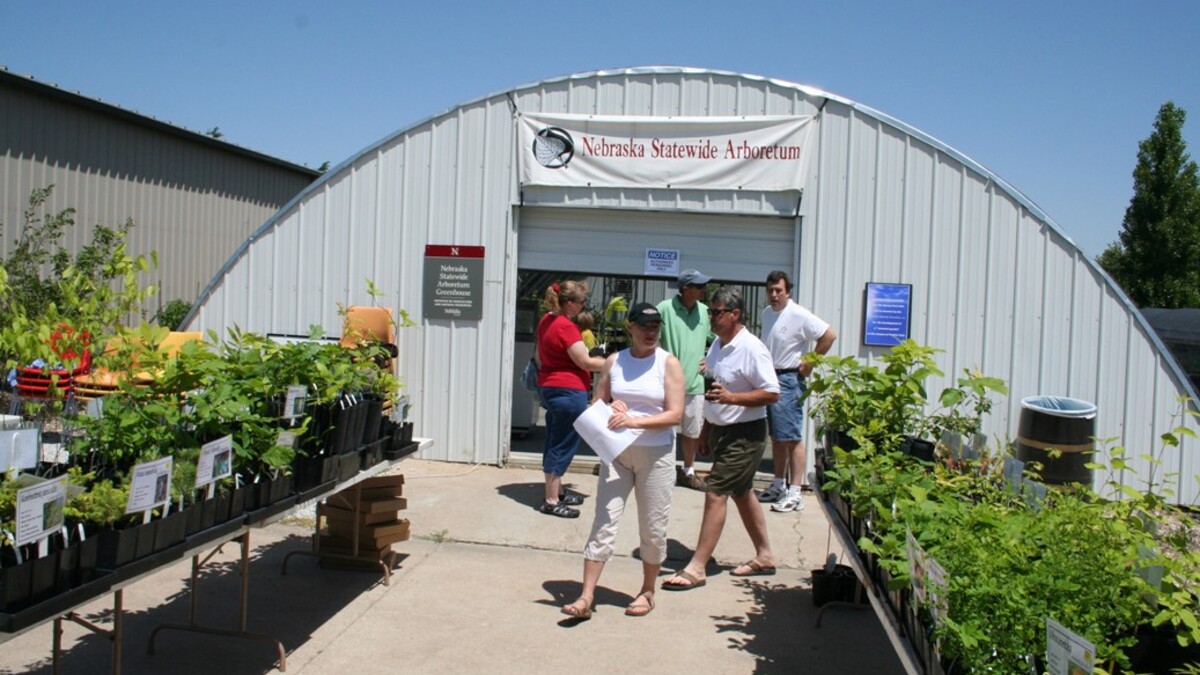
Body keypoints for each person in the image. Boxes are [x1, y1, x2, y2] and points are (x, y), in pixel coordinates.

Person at [561, 303, 684, 620]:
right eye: (644, 326)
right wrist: (613, 407)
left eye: (655, 325)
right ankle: (586, 596)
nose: (651, 331)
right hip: (617, 453)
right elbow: (596, 403)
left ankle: (647, 590)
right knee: (604, 520)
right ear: (630, 327)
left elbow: (675, 414)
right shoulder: (615, 362)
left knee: (653, 527)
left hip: (655, 455)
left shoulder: (668, 364)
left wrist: (634, 422)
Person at [662, 287, 780, 590]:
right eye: (710, 311)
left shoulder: (752, 348)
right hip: (722, 433)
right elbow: (714, 390)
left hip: (746, 435)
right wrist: (705, 429)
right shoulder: (717, 344)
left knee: (715, 492)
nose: (710, 317)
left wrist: (734, 398)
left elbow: (772, 392)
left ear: (734, 314)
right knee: (742, 492)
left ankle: (697, 566)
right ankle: (765, 555)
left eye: (716, 312)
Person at [757, 270, 837, 513]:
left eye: (779, 290)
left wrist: (810, 363)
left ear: (787, 291)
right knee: (778, 437)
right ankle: (779, 484)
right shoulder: (767, 314)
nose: (774, 295)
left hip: (790, 379)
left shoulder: (798, 314)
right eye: (770, 290)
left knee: (791, 437)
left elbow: (829, 335)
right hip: (771, 378)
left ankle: (795, 492)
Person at [538, 280, 607, 518]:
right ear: (569, 304)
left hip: (550, 387)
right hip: (568, 391)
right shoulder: (566, 327)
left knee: (554, 440)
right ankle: (550, 499)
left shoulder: (546, 320)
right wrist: (614, 362)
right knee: (562, 444)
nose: (584, 306)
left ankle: (557, 492)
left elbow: (541, 355)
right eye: (582, 302)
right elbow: (586, 362)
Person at [656, 269, 711, 491]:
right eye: (698, 286)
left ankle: (689, 471)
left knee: (692, 431)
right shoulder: (664, 309)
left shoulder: (706, 312)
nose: (703, 290)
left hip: (695, 384)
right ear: (685, 288)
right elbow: (647, 336)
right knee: (664, 430)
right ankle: (664, 470)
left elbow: (720, 338)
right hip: (667, 384)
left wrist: (712, 360)